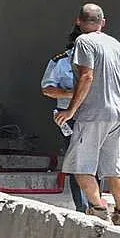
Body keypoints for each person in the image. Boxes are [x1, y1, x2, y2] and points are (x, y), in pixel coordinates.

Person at [54, 4, 120, 224]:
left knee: (80, 166)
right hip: (118, 112)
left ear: (78, 21)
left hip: (93, 115)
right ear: (103, 23)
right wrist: (113, 95)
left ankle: (97, 209)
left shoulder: (84, 42)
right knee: (112, 167)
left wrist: (71, 110)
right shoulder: (115, 44)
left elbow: (86, 77)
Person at [40, 27, 87, 211]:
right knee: (77, 162)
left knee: (95, 163)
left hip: (93, 116)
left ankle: (95, 203)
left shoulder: (98, 61)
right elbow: (47, 88)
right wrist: (71, 94)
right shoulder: (61, 62)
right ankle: (82, 206)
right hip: (70, 117)